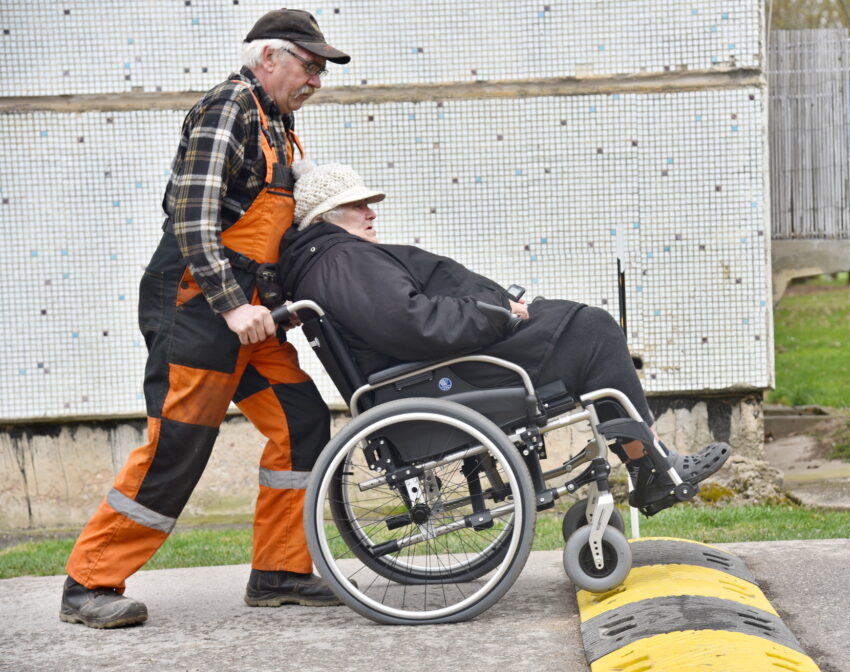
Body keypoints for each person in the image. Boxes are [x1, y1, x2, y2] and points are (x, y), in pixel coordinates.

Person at [61, 9, 350, 629]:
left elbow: (261, 230)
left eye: (322, 69)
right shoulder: (230, 108)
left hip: (247, 313)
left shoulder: (278, 122)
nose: (317, 79)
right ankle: (89, 582)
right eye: (309, 64)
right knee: (179, 445)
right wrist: (234, 304)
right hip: (199, 306)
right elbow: (194, 220)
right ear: (268, 57)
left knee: (301, 422)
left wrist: (272, 300)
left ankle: (280, 571)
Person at [277, 163, 731, 518]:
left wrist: (496, 307)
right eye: (360, 206)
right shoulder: (342, 261)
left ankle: (647, 462)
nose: (372, 212)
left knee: (581, 324)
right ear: (325, 217)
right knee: (592, 330)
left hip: (447, 368)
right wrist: (492, 314)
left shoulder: (338, 258)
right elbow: (415, 325)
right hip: (447, 376)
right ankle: (652, 465)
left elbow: (411, 317)